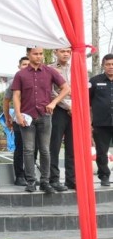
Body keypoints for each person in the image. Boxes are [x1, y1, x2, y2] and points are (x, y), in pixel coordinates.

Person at [11, 47, 70, 194]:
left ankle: (45, 181)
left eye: (41, 54)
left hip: (45, 115)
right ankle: (30, 181)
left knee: (45, 150)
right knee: (29, 150)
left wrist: (54, 102)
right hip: (27, 117)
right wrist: (18, 114)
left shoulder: (50, 71)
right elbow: (16, 96)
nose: (39, 57)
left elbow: (65, 88)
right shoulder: (20, 74)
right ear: (28, 55)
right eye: (35, 54)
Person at [49, 47, 75, 190]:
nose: (65, 54)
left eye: (68, 51)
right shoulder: (50, 69)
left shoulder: (76, 67)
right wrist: (67, 106)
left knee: (72, 147)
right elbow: (50, 92)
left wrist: (76, 106)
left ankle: (71, 179)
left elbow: (82, 88)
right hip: (58, 109)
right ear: (55, 52)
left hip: (75, 110)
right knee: (55, 146)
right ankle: (54, 179)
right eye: (62, 51)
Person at [2, 57, 30, 186]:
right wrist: (8, 117)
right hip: (18, 119)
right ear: (19, 66)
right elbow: (6, 100)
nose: (26, 66)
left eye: (28, 64)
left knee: (32, 149)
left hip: (35, 119)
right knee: (19, 148)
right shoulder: (14, 81)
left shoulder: (38, 80)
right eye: (24, 64)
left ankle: (30, 175)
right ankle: (19, 176)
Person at [89, 53, 113, 187]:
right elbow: (88, 103)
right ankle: (104, 176)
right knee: (101, 151)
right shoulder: (94, 81)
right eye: (108, 64)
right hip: (101, 123)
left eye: (112, 64)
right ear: (103, 66)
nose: (111, 67)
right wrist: (89, 122)